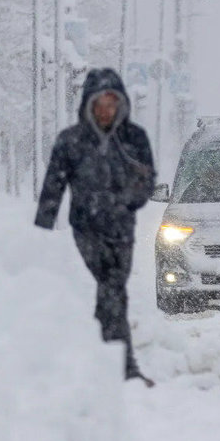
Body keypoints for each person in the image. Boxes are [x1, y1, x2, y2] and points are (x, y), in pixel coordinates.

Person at [34, 68, 156, 385]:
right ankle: (123, 367)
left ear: (121, 105)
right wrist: (39, 236)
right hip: (86, 229)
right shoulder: (71, 141)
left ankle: (98, 357)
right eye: (99, 105)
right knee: (111, 289)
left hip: (122, 229)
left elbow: (147, 183)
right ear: (88, 105)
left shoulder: (134, 139)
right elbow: (52, 188)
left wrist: (123, 201)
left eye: (111, 104)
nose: (105, 111)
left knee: (111, 291)